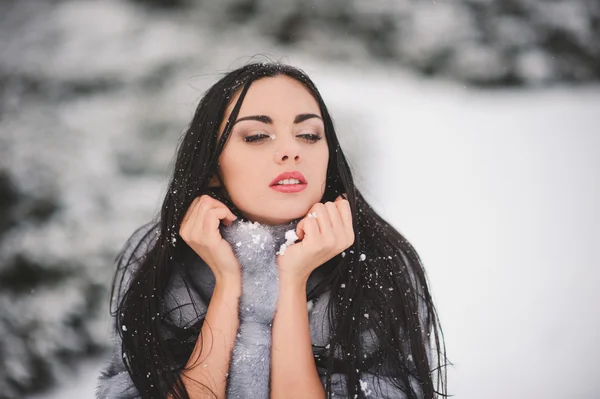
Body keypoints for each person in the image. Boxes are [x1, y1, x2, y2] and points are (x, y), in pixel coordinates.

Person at [96, 62, 448, 399]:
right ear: (211, 166)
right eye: (257, 135)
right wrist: (227, 284)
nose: (291, 150)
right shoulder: (158, 257)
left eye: (309, 134)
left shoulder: (378, 260)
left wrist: (293, 283)